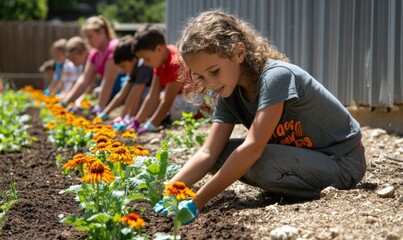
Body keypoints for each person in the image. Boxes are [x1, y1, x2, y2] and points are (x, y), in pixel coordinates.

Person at [154, 10, 366, 224]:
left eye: (214, 71)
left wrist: (197, 202)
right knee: (221, 156)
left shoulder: (276, 77)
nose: (209, 83)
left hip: (342, 162)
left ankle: (303, 190)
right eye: (200, 76)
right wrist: (170, 190)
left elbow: (252, 148)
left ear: (238, 53)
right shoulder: (230, 92)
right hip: (302, 159)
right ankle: (291, 186)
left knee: (252, 159)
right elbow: (208, 151)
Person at [126, 24, 199, 134]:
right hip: (180, 101)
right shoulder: (160, 60)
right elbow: (152, 95)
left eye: (147, 59)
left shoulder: (175, 62)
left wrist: (150, 125)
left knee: (170, 101)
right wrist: (136, 121)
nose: (145, 63)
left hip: (196, 103)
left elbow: (167, 101)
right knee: (160, 97)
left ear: (159, 49)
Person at [61, 16, 123, 115]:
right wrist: (66, 101)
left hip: (120, 91)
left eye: (90, 36)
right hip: (108, 92)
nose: (88, 41)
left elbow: (108, 81)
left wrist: (100, 107)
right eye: (86, 37)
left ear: (102, 32)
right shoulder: (95, 52)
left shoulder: (113, 47)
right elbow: (84, 79)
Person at [97, 35, 153, 130]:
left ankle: (140, 118)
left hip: (151, 102)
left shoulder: (143, 67)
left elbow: (136, 93)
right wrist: (105, 113)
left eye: (123, 66)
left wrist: (128, 117)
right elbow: (122, 94)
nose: (122, 71)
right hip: (141, 102)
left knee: (143, 92)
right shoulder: (133, 69)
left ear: (134, 59)